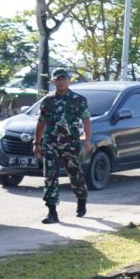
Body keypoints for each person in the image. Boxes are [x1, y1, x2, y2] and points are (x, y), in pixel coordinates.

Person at [33, 68, 91, 224]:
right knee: (49, 177)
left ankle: (81, 198)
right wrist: (36, 143)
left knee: (75, 174)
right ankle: (52, 212)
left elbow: (86, 120)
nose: (61, 81)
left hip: (71, 144)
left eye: (63, 78)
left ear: (68, 80)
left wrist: (87, 140)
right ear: (52, 82)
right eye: (57, 79)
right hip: (50, 144)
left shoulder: (79, 100)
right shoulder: (47, 101)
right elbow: (41, 122)